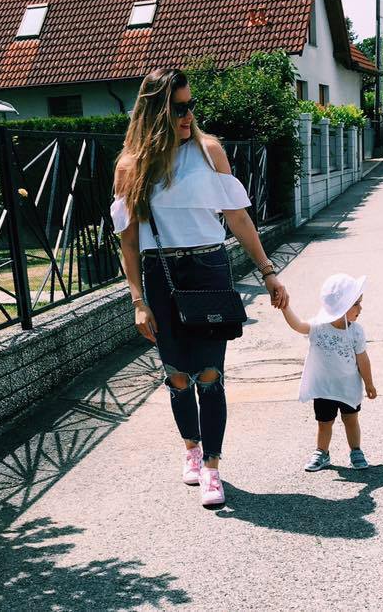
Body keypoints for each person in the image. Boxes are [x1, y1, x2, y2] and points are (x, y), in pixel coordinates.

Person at [110, 68, 289, 507]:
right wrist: (137, 300)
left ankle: (212, 468)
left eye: (190, 106)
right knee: (175, 375)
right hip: (161, 275)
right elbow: (128, 242)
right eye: (178, 108)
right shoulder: (130, 166)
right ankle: (190, 448)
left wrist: (268, 271)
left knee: (210, 374)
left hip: (209, 268)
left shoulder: (209, 152)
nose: (188, 115)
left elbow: (238, 217)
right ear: (155, 112)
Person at [280, 273, 376, 472]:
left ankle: (356, 450)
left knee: (351, 420)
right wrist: (285, 307)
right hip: (324, 388)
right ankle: (322, 452)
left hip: (348, 387)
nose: (360, 308)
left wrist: (369, 383)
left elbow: (363, 359)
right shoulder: (318, 327)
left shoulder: (356, 331)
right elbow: (298, 325)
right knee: (324, 423)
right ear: (342, 307)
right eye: (356, 304)